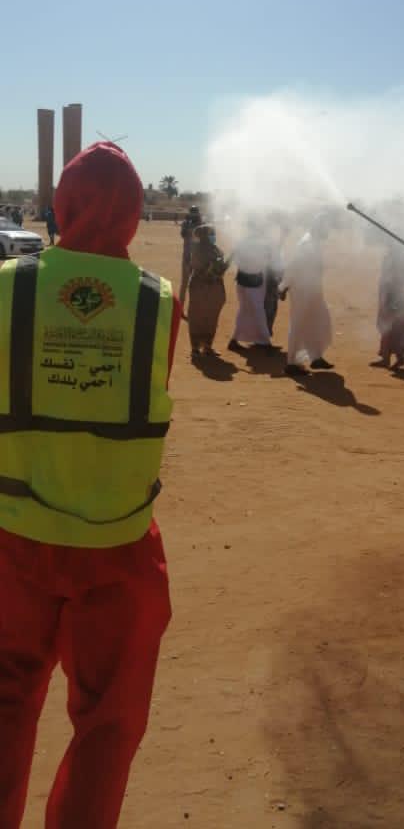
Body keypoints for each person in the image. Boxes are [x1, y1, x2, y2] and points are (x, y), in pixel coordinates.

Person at [0, 141, 181, 827]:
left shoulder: (7, 286)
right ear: (134, 215)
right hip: (119, 547)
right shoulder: (158, 303)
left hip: (13, 539)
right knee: (108, 723)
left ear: (62, 206)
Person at [278, 214, 333, 376]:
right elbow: (293, 267)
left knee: (319, 321)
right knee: (298, 325)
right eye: (325, 228)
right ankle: (291, 363)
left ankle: (316, 357)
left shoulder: (314, 242)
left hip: (313, 289)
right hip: (302, 290)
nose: (328, 231)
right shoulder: (306, 244)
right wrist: (283, 286)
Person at [229, 219, 272, 349]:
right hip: (254, 281)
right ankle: (265, 341)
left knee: (244, 310)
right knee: (258, 311)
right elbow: (268, 260)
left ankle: (234, 339)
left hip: (242, 280)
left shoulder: (242, 242)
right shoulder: (262, 243)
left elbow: (235, 259)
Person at [187, 223, 229, 358]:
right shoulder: (197, 250)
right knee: (197, 317)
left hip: (214, 288)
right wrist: (212, 269)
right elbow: (199, 268)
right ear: (205, 236)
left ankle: (207, 347)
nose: (213, 236)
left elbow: (219, 268)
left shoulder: (216, 249)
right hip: (200, 287)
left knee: (211, 318)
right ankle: (195, 348)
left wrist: (221, 267)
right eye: (211, 234)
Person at [376, 240, 404, 369]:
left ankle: (401, 357)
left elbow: (399, 279)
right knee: (387, 326)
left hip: (395, 296)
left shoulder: (399, 257)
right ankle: (385, 357)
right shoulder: (390, 255)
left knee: (397, 327)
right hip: (388, 294)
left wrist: (392, 298)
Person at [179, 205, 202, 311]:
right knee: (184, 284)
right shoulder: (186, 224)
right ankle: (180, 309)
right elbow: (183, 234)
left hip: (197, 259)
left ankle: (193, 310)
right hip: (188, 258)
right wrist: (189, 223)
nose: (194, 215)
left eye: (195, 213)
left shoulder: (201, 225)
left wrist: (198, 223)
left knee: (195, 286)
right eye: (192, 212)